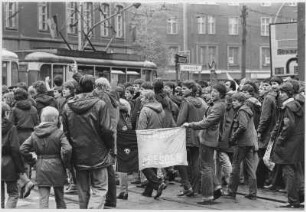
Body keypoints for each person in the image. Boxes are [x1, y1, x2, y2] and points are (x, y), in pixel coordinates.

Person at [62, 74, 113, 209]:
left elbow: (65, 132)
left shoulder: (68, 106)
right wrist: (110, 147)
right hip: (98, 152)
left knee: (82, 190)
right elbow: (107, 130)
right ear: (94, 87)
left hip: (78, 153)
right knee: (100, 188)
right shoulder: (100, 104)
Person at [20, 106, 72, 209]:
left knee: (43, 199)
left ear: (42, 118)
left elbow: (23, 149)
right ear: (54, 119)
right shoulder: (59, 133)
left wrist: (33, 161)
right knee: (60, 198)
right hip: (57, 166)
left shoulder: (35, 134)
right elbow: (68, 149)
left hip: (41, 166)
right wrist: (65, 163)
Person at [183, 83, 226, 205]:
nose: (213, 93)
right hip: (208, 138)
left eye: (216, 92)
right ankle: (216, 187)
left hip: (209, 139)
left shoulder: (219, 106)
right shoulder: (217, 104)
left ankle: (207, 196)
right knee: (208, 166)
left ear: (221, 94)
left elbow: (207, 122)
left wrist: (190, 124)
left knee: (205, 167)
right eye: (213, 90)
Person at [270, 83, 304, 208]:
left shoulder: (288, 107)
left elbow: (288, 126)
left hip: (288, 144)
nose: (280, 95)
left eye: (283, 92)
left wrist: (280, 140)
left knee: (287, 171)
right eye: (280, 92)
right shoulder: (298, 104)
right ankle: (299, 198)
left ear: (289, 93)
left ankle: (292, 200)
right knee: (296, 170)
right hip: (297, 142)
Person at [176, 80, 207, 197]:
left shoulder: (186, 101)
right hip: (200, 134)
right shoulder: (203, 101)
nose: (182, 90)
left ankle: (187, 186)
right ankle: (195, 188)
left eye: (184, 88)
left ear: (190, 89)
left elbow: (180, 120)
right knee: (195, 163)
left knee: (181, 161)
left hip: (187, 135)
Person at [225, 92, 259, 200]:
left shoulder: (241, 111)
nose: (233, 103)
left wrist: (233, 138)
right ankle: (253, 193)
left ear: (240, 101)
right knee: (250, 168)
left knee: (235, 166)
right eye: (233, 100)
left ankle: (231, 192)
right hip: (249, 142)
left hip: (242, 143)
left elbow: (242, 126)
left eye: (235, 101)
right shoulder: (248, 109)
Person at [93, 77, 119, 209]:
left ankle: (108, 199)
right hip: (112, 133)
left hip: (105, 135)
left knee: (107, 168)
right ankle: (111, 200)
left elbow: (101, 117)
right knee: (109, 168)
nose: (94, 90)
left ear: (101, 87)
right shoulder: (113, 96)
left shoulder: (103, 97)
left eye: (96, 87)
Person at [137, 90, 167, 199]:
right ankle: (148, 191)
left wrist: (140, 142)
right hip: (158, 138)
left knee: (143, 164)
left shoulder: (145, 110)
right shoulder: (160, 109)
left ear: (148, 99)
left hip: (147, 139)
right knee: (153, 164)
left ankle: (158, 183)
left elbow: (141, 128)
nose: (140, 99)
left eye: (142, 97)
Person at [9, 88, 39, 198]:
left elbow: (11, 125)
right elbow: (37, 123)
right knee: (28, 159)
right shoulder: (33, 109)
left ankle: (22, 186)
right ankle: (28, 182)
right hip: (31, 135)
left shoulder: (15, 109)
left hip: (18, 135)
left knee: (18, 161)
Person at [1, 102, 25, 208]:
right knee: (13, 193)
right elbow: (15, 149)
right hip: (8, 163)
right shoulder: (11, 128)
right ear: (6, 113)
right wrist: (20, 169)